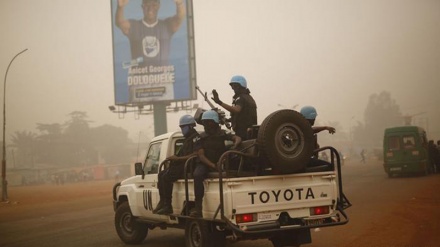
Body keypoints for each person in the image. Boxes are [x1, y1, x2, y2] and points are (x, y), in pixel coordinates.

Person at [190, 110, 241, 217]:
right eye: (205, 122)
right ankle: (198, 207)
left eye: (209, 122)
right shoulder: (199, 137)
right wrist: (213, 166)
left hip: (220, 162)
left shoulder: (222, 134)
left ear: (215, 122)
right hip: (205, 164)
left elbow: (236, 137)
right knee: (197, 175)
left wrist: (236, 142)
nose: (206, 125)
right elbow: (201, 156)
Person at [153, 114, 201, 215]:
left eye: (183, 127)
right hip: (182, 165)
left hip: (188, 166)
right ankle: (163, 202)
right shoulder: (188, 139)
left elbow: (196, 154)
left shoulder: (196, 138)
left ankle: (168, 206)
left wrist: (178, 158)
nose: (182, 129)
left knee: (166, 177)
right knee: (161, 175)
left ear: (190, 126)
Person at [115, 0, 186, 66]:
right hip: (139, 78)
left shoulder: (166, 26)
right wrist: (120, 7)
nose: (150, 9)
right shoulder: (134, 26)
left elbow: (179, 18)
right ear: (142, 7)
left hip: (163, 78)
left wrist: (179, 4)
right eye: (147, 5)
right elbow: (119, 22)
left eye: (154, 5)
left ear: (158, 6)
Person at [211, 75, 257, 140]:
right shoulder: (249, 97)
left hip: (244, 134)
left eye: (235, 86)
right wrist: (228, 120)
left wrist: (219, 102)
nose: (233, 88)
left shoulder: (241, 98)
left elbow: (236, 110)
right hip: (249, 132)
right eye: (232, 86)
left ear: (241, 86)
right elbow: (244, 115)